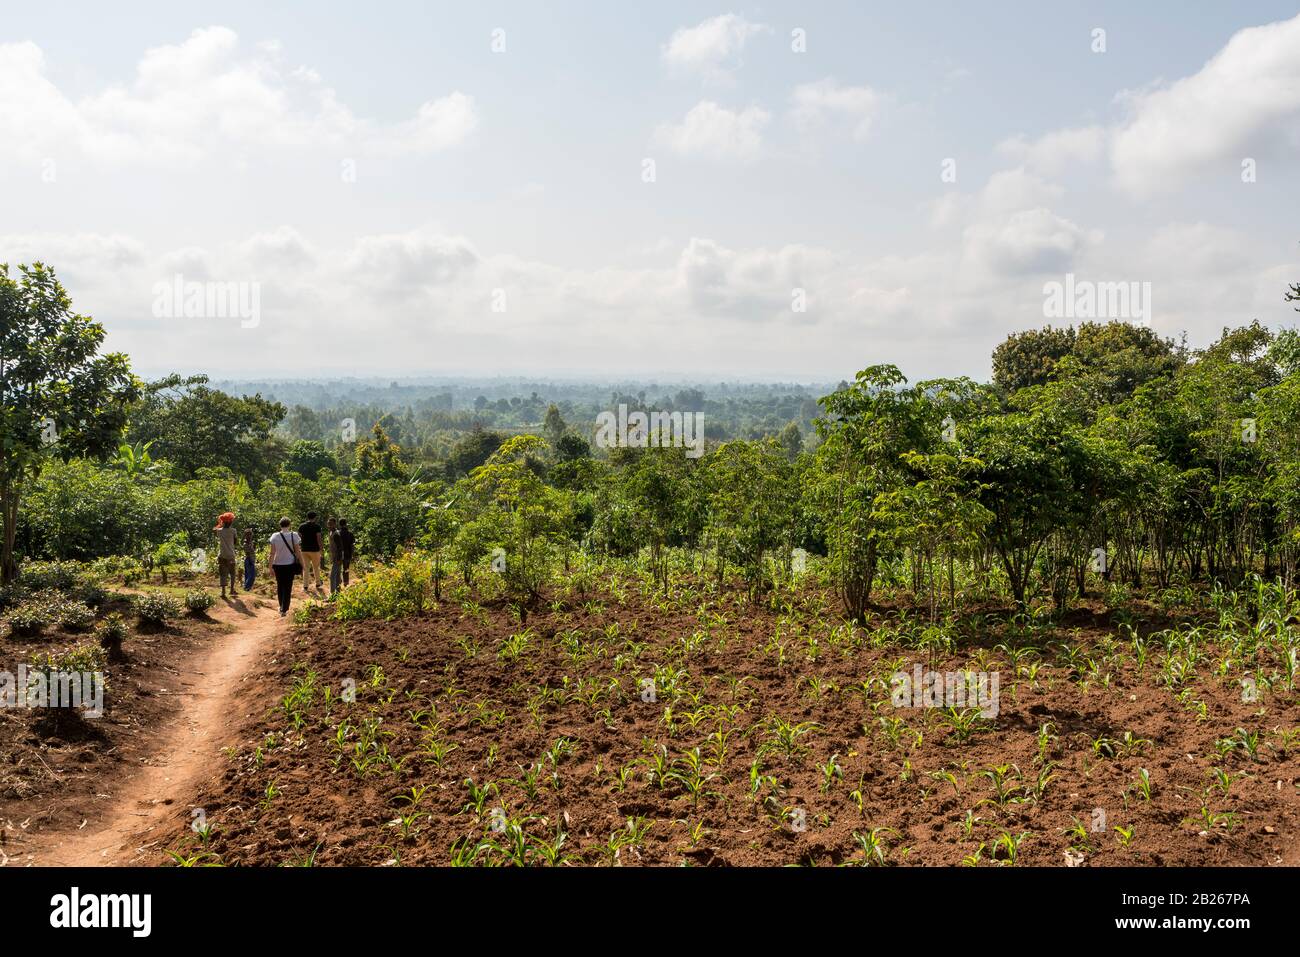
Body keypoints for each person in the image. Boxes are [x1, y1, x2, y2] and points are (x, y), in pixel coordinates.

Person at [268, 517, 304, 617]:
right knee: (288, 586)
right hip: (290, 565)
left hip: (277, 565)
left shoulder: (275, 536)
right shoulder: (294, 535)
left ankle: (281, 606)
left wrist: (270, 567)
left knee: (280, 586)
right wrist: (303, 565)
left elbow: (272, 553)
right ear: (289, 525)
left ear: (280, 525)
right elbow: (298, 552)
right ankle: (285, 609)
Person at [214, 512, 238, 599]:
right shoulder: (233, 531)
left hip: (222, 555)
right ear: (231, 522)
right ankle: (232, 589)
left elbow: (215, 531)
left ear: (223, 522)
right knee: (232, 573)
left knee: (223, 573)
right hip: (231, 555)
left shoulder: (219, 531)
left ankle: (223, 592)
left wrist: (220, 524)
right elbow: (235, 542)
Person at [298, 511, 323, 594]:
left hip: (304, 549)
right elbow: (319, 538)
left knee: (306, 568)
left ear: (307, 517)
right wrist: (321, 549)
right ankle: (318, 583)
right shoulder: (317, 527)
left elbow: (299, 537)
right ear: (314, 517)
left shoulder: (301, 526)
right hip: (315, 549)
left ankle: (305, 586)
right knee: (316, 567)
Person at [337, 518, 356, 587]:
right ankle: (346, 582)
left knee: (338, 568)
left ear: (339, 524)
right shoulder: (350, 533)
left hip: (338, 554)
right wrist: (352, 554)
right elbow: (352, 545)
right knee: (346, 568)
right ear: (346, 524)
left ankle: (338, 581)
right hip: (347, 553)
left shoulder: (337, 533)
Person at [327, 517, 343, 595]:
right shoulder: (331, 532)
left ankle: (332, 594)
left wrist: (339, 558)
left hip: (337, 557)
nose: (329, 525)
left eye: (331, 524)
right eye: (328, 523)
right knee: (337, 575)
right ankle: (338, 593)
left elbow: (340, 547)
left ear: (334, 524)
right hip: (334, 557)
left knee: (332, 576)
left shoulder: (336, 534)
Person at [242, 526, 257, 591]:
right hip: (249, 560)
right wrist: (251, 561)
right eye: (249, 534)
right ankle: (246, 587)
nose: (251, 536)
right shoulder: (246, 543)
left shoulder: (250, 542)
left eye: (251, 534)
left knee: (248, 575)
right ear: (246, 535)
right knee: (252, 575)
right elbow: (248, 553)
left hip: (250, 560)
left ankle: (246, 588)